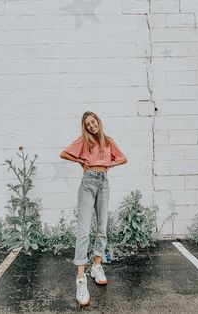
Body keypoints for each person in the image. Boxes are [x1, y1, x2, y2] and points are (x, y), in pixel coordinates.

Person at [59, 111, 128, 307]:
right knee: (83, 231)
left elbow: (124, 158)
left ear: (98, 121)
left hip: (104, 183)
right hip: (88, 183)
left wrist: (110, 164)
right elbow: (63, 153)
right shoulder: (84, 140)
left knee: (102, 227)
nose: (91, 125)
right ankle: (81, 280)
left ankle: (97, 266)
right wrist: (81, 161)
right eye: (87, 124)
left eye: (93, 121)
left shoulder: (108, 141)